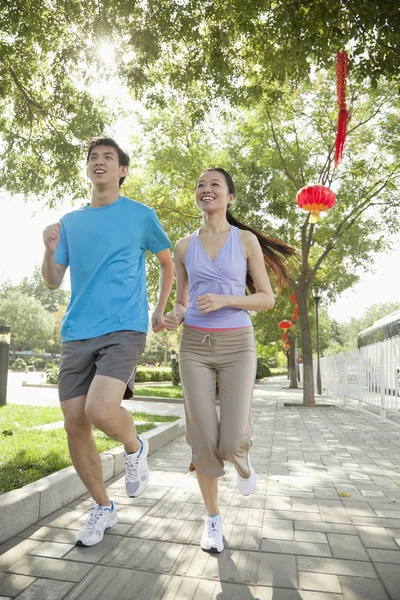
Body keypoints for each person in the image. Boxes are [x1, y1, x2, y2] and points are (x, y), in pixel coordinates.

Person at [42, 137, 173, 547]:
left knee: (100, 410)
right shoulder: (71, 223)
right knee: (75, 423)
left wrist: (158, 309)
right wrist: (48, 250)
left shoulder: (140, 216)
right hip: (77, 330)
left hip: (124, 326)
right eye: (93, 158)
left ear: (122, 171)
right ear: (88, 170)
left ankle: (134, 447)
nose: (99, 163)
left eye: (108, 158)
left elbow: (167, 262)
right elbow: (51, 280)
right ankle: (102, 507)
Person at [164, 168, 295, 553]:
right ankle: (213, 520)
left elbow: (267, 299)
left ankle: (242, 457)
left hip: (238, 342)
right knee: (203, 439)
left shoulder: (246, 240)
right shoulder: (184, 246)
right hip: (194, 347)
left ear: (230, 197)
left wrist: (225, 299)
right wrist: (177, 314)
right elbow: (183, 301)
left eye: (214, 185)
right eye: (200, 185)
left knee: (233, 438)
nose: (206, 190)